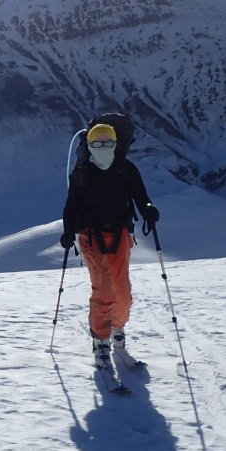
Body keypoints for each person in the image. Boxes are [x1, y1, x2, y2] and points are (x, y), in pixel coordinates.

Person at [60, 121, 159, 378]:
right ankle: (101, 340)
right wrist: (69, 231)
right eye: (97, 143)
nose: (103, 147)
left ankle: (117, 329)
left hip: (121, 235)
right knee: (103, 288)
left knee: (122, 291)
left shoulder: (125, 170)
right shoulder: (82, 173)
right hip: (91, 237)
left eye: (108, 142)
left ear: (116, 144)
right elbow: (71, 206)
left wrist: (148, 208)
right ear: (89, 145)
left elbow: (140, 195)